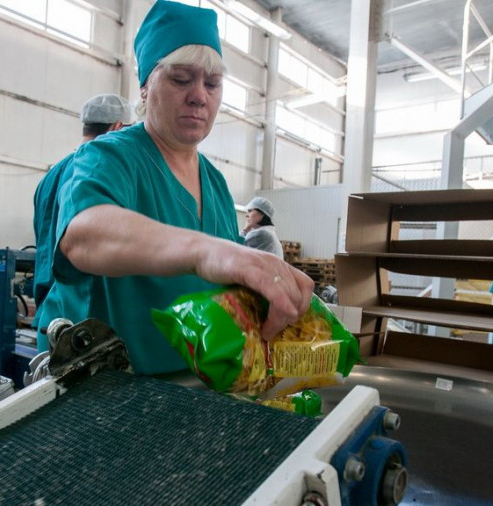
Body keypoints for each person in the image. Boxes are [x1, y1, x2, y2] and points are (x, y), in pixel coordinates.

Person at [36, 0, 314, 375]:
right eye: (181, 79)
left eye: (212, 84)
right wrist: (205, 251)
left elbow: (220, 289)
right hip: (103, 384)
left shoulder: (214, 183)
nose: (199, 95)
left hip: (187, 385)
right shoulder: (110, 157)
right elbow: (83, 236)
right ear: (145, 87)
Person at [32, 93, 134, 328]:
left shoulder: (50, 176)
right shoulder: (94, 172)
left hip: (48, 310)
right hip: (78, 315)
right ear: (117, 127)